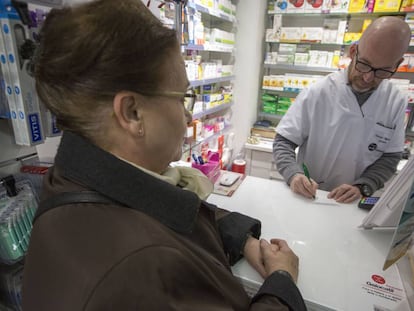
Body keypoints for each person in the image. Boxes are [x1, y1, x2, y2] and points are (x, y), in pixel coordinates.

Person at [22, 1, 306, 310]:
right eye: (182, 96)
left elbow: (174, 211)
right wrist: (281, 282)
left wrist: (242, 239)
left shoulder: (76, 177)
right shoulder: (141, 267)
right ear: (132, 113)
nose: (187, 116)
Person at [273, 16, 411, 203]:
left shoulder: (395, 101)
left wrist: (364, 185)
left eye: (382, 71)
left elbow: (390, 156)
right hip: (309, 197)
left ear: (397, 64)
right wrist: (293, 174)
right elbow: (283, 141)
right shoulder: (319, 91)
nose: (369, 78)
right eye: (365, 64)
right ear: (353, 51)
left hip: (355, 202)